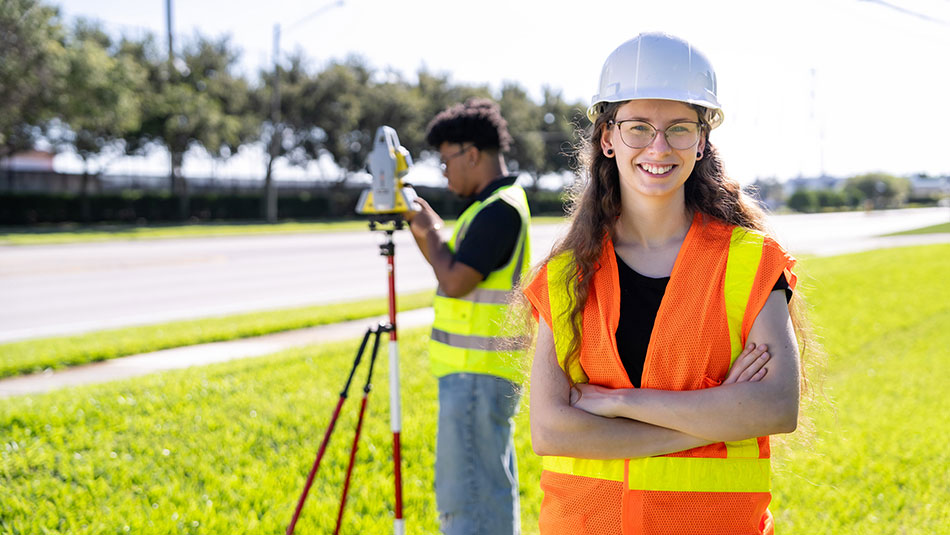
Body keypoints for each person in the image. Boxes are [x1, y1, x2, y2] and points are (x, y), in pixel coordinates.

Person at [522, 32, 808, 534]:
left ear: (701, 141)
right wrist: (712, 421)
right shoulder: (566, 275)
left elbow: (775, 407)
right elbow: (551, 430)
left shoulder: (751, 262)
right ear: (608, 138)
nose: (658, 147)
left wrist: (618, 404)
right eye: (638, 127)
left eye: (678, 128)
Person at [405, 98, 531, 534]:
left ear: (471, 154)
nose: (444, 171)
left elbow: (456, 280)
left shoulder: (499, 210)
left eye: (445, 161)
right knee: (489, 490)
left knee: (469, 498)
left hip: (477, 376)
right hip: (479, 374)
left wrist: (426, 232)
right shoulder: (493, 206)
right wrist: (433, 232)